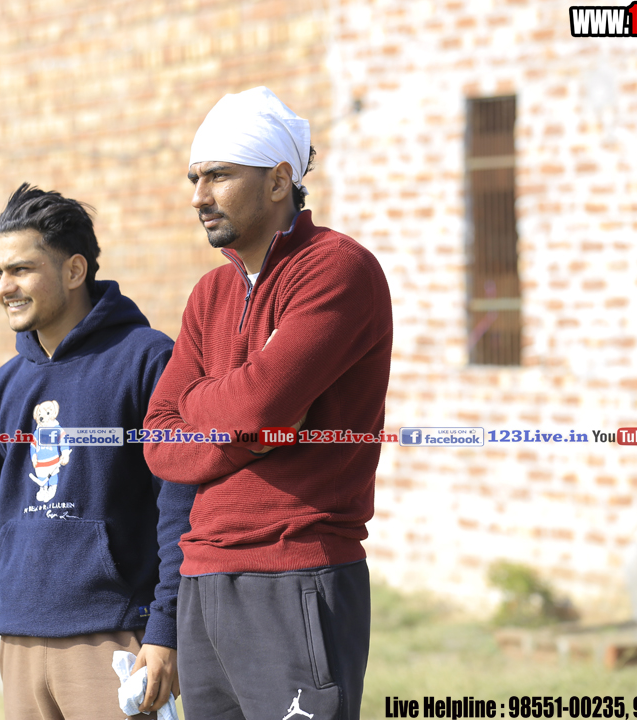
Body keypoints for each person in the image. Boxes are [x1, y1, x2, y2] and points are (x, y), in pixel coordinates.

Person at [143, 87, 393, 720]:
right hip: (202, 578)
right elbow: (159, 439)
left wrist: (216, 405)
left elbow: (257, 405)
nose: (199, 196)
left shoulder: (336, 269)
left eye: (219, 176)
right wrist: (252, 429)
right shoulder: (209, 293)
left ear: (280, 180)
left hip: (296, 572)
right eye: (195, 178)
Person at [0, 184, 194, 720]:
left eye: (21, 270)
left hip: (115, 640)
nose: (4, 287)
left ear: (75, 270)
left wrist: (166, 627)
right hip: (18, 642)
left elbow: (180, 505)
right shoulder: (3, 386)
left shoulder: (147, 360)